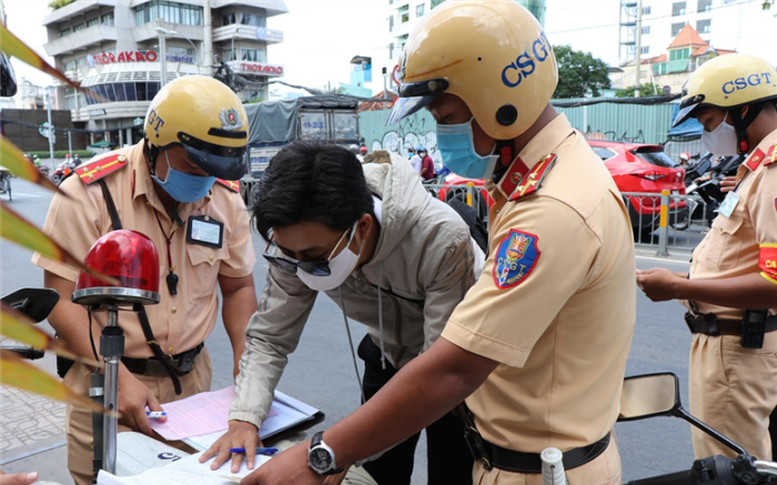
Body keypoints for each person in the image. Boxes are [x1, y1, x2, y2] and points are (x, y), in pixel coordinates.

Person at [243, 1, 636, 484]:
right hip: (515, 453)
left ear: (499, 98)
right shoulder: (540, 179)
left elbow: (450, 370)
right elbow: (272, 331)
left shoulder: (552, 208)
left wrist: (320, 455)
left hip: (536, 469)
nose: (440, 131)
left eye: (445, 114)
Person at [201, 141, 484, 485]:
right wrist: (244, 419)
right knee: (376, 475)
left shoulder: (440, 239)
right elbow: (270, 338)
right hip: (387, 355)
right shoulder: (295, 249)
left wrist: (334, 451)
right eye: (288, 253)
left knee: (453, 471)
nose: (300, 266)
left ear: (362, 227)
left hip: (456, 372)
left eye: (315, 255)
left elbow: (440, 374)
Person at [31, 75, 258, 485]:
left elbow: (239, 287)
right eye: (193, 165)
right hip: (106, 383)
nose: (204, 178)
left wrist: (249, 375)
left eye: (215, 168)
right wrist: (115, 374)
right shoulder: (88, 194)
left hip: (193, 390)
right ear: (156, 143)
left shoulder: (226, 200)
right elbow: (58, 298)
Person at [637, 54, 777, 460]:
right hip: (735, 342)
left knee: (730, 469)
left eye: (711, 122)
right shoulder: (757, 168)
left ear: (743, 110)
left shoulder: (771, 169)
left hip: (736, 349)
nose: (707, 133)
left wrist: (680, 286)